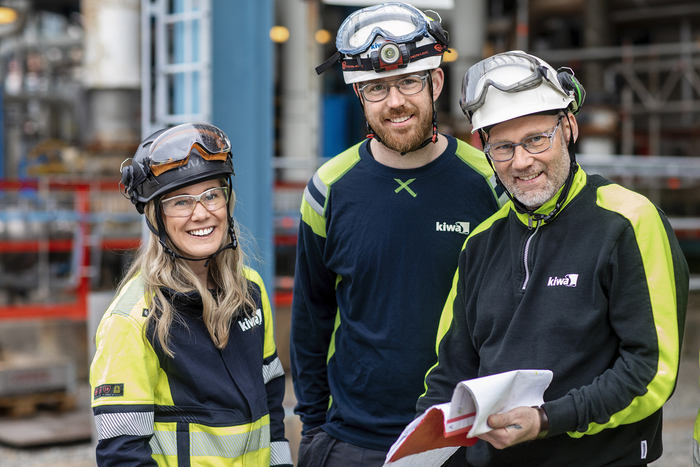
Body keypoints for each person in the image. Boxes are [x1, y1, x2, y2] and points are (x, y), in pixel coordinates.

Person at [416, 50, 690, 466]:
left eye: (536, 139)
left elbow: (649, 371)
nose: (522, 161)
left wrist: (547, 419)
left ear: (569, 128)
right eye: (503, 147)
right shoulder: (481, 242)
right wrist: (424, 448)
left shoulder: (628, 222)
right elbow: (450, 372)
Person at [290, 3, 502, 465]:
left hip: (458, 437)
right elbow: (311, 318)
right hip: (351, 439)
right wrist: (312, 428)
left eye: (408, 81)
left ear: (436, 82)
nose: (395, 101)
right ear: (360, 97)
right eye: (376, 88)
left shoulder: (489, 184)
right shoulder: (329, 188)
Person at [90, 123, 293, 467]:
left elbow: (272, 412)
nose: (201, 213)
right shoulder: (132, 320)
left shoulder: (251, 290)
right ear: (156, 218)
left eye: (211, 195)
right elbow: (122, 456)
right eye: (181, 201)